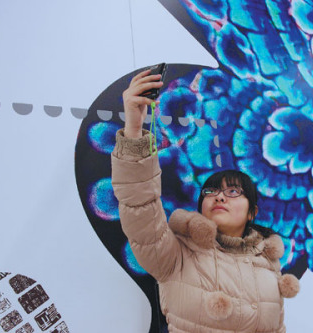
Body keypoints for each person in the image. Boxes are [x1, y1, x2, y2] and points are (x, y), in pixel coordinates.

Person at [111, 69, 299, 332]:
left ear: (251, 212)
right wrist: (133, 130)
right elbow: (139, 206)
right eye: (210, 191)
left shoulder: (269, 266)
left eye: (233, 191)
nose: (219, 195)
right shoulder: (176, 255)